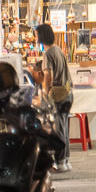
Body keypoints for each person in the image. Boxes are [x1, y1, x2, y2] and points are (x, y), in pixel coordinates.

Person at [36, 23, 73, 172]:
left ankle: (60, 161)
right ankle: (66, 160)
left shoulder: (48, 54)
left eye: (36, 34)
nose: (35, 37)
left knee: (57, 129)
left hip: (57, 95)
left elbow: (48, 76)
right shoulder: (58, 50)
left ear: (42, 36)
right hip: (67, 92)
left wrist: (45, 93)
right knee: (63, 127)